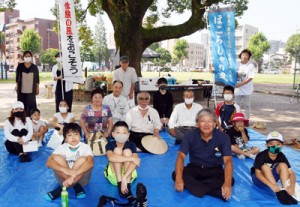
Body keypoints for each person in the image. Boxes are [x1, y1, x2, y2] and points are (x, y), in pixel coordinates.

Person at [172, 108, 234, 201]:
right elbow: (181, 156)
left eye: (210, 121)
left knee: (230, 180)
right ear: (197, 123)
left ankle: (196, 187)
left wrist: (227, 183)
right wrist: (179, 178)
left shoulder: (223, 137)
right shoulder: (190, 135)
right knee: (175, 174)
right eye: (202, 121)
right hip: (195, 168)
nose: (206, 124)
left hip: (214, 170)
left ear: (214, 123)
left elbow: (228, 160)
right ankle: (212, 192)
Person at [45, 123, 94, 201]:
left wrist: (74, 174)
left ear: (80, 136)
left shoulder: (86, 147)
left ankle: (62, 188)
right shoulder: (62, 147)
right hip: (63, 177)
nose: (73, 137)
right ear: (65, 138)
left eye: (76, 134)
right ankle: (76, 185)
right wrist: (65, 170)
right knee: (56, 158)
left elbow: (90, 163)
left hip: (81, 180)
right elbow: (48, 162)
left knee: (83, 159)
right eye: (70, 135)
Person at [251, 131, 298, 205]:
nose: (274, 147)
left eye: (278, 144)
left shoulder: (281, 156)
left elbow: (291, 173)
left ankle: (285, 189)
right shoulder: (261, 155)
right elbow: (258, 174)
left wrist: (292, 186)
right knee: (265, 167)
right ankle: (278, 192)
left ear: (282, 146)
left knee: (283, 165)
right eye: (271, 144)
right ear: (266, 145)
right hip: (259, 180)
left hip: (272, 178)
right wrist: (272, 186)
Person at [104, 121, 140, 202]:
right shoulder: (109, 144)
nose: (121, 135)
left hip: (129, 176)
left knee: (127, 151)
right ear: (113, 134)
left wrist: (125, 178)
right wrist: (131, 158)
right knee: (117, 151)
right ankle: (120, 183)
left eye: (124, 133)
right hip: (114, 177)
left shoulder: (131, 144)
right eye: (118, 132)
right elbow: (111, 158)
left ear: (128, 135)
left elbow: (136, 161)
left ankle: (127, 185)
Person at [15, 50, 40, 115]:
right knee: (22, 104)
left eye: (29, 56)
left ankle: (31, 118)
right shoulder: (20, 66)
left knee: (31, 105)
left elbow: (37, 79)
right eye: (26, 56)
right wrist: (17, 87)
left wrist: (37, 88)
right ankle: (22, 118)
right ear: (23, 57)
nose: (27, 57)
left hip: (31, 90)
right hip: (21, 90)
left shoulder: (34, 67)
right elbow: (17, 78)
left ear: (31, 57)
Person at [235, 49, 255, 120]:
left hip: (247, 89)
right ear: (241, 55)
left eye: (246, 55)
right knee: (236, 105)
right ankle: (237, 119)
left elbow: (250, 77)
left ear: (249, 57)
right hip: (237, 89)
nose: (244, 56)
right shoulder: (236, 63)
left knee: (247, 105)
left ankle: (247, 120)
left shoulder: (250, 65)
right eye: (243, 54)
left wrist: (241, 84)